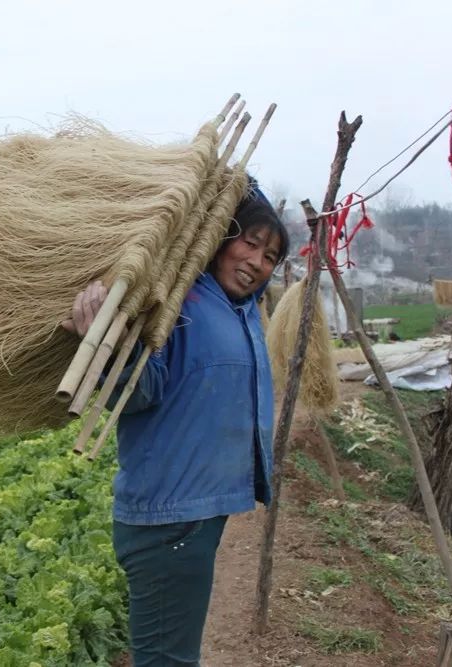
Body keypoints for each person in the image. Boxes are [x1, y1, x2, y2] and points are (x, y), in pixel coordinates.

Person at [63, 184, 289, 666]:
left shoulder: (241, 310)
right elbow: (140, 394)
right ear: (220, 238)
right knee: (168, 660)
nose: (257, 260)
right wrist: (108, 347)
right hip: (168, 518)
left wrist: (243, 186)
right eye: (249, 241)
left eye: (270, 255)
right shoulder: (180, 301)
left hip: (195, 511)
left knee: (172, 654)